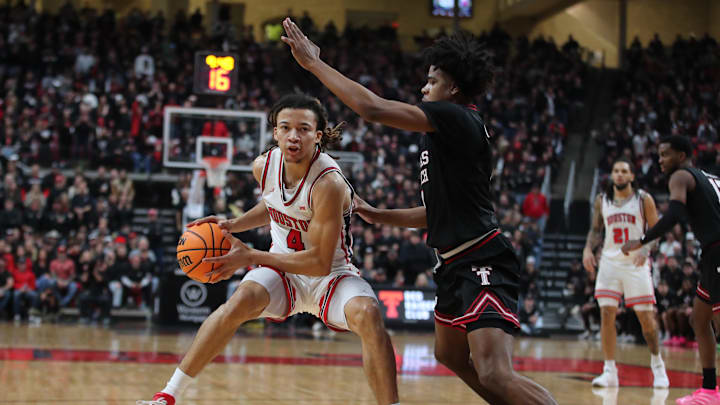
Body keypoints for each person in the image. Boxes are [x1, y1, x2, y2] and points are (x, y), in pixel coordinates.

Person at [281, 18, 556, 404]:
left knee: (494, 373)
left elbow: (371, 108)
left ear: (453, 88)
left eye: (432, 81)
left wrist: (313, 64)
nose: (423, 88)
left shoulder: (457, 116)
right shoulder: (444, 134)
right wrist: (379, 213)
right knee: (449, 354)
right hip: (452, 262)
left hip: (481, 257)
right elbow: (435, 212)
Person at [137, 94, 399, 405]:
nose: (293, 136)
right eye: (286, 127)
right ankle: (168, 394)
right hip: (283, 272)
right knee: (239, 302)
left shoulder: (329, 183)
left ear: (317, 136)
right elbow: (272, 204)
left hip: (330, 275)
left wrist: (251, 256)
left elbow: (318, 262)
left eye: (303, 129)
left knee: (369, 315)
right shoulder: (263, 166)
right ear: (275, 132)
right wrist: (232, 224)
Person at [623, 135, 720, 404]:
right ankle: (710, 391)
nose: (660, 160)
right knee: (699, 320)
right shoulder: (709, 178)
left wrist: (642, 240)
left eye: (665, 154)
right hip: (711, 253)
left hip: (717, 249)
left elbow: (675, 213)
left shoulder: (680, 176)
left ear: (681, 156)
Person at [582, 158, 669, 388]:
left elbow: (657, 230)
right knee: (606, 315)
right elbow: (595, 229)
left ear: (631, 176)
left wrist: (647, 249)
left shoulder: (643, 199)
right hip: (609, 263)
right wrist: (587, 249)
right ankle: (609, 371)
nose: (619, 175)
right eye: (616, 171)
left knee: (647, 321)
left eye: (624, 171)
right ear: (612, 175)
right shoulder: (602, 200)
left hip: (636, 265)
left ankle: (658, 367)